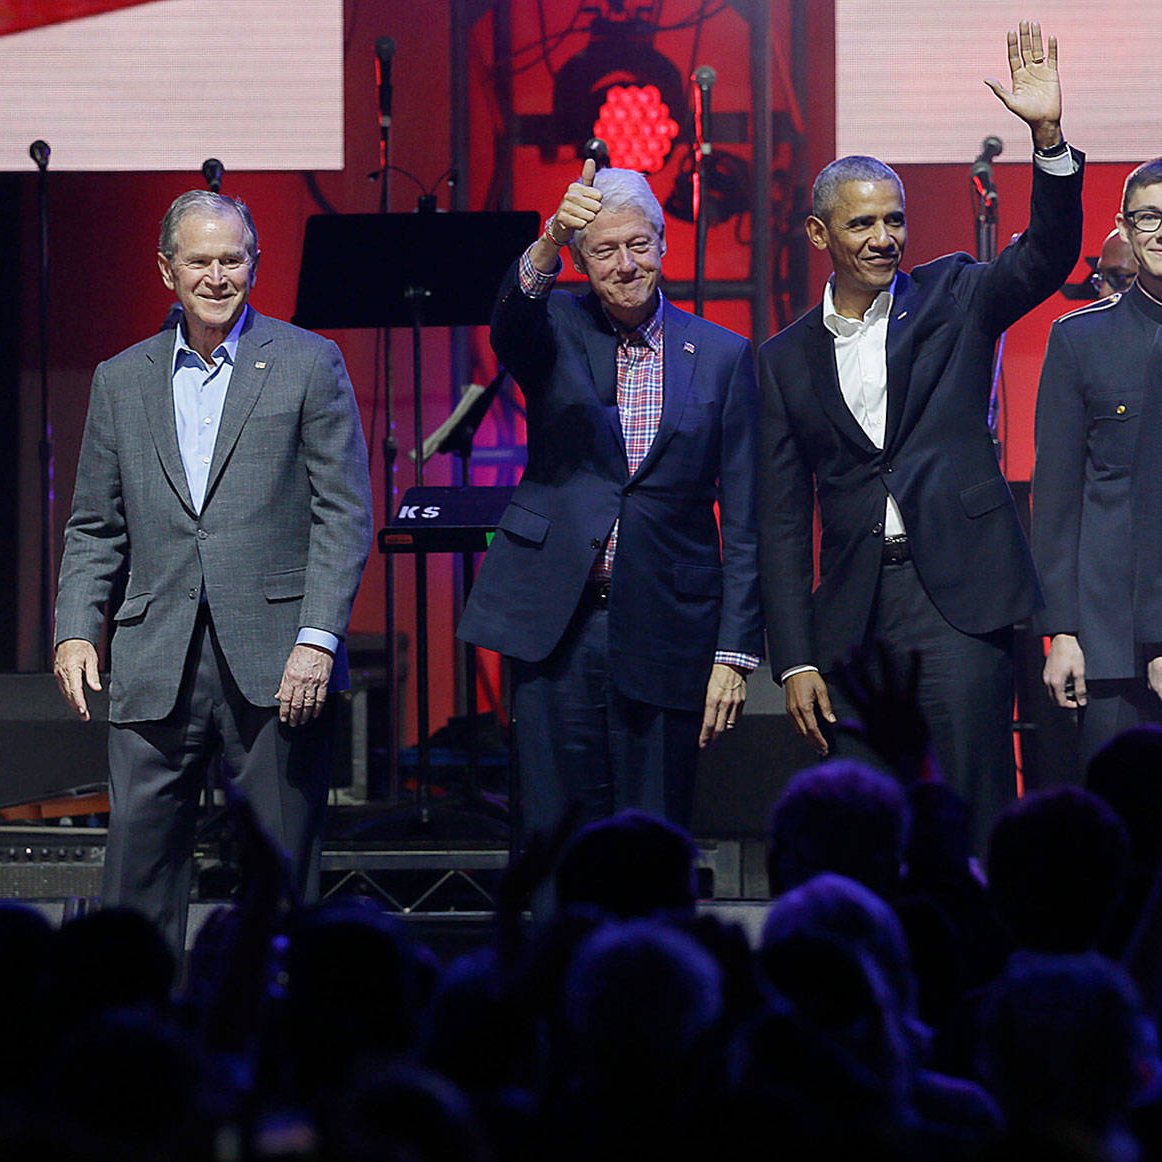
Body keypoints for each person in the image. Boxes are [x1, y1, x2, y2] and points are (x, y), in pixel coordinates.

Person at [755, 23, 1083, 843]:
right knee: (860, 826)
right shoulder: (782, 359)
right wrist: (793, 658)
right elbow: (783, 520)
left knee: (971, 811)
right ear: (820, 234)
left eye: (893, 221)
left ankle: (976, 963)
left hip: (959, 602)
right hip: (855, 613)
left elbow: (1046, 254)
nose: (883, 239)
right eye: (862, 225)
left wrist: (1046, 139)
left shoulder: (956, 296)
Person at [53, 190, 372, 949]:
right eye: (200, 261)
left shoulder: (307, 361)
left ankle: (274, 1042)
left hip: (277, 659)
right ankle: (139, 1036)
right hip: (153, 654)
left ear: (254, 265)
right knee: (136, 879)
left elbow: (344, 515)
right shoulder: (121, 378)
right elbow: (95, 525)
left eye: (233, 259)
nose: (217, 276)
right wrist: (74, 631)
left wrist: (318, 639)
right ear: (167, 269)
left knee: (281, 877)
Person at [455, 162, 763, 838]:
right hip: (556, 626)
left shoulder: (722, 354)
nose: (626, 265)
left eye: (639, 245)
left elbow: (745, 519)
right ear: (580, 260)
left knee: (653, 836)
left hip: (667, 623)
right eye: (603, 250)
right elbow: (507, 325)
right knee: (552, 835)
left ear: (662, 243)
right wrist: (548, 239)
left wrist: (734, 655)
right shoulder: (555, 327)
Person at [1034, 162, 1162, 760]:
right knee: (1120, 833)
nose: (1161, 232)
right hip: (1111, 647)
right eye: (1149, 217)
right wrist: (1063, 631)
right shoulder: (1078, 340)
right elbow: (1057, 502)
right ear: (1125, 228)